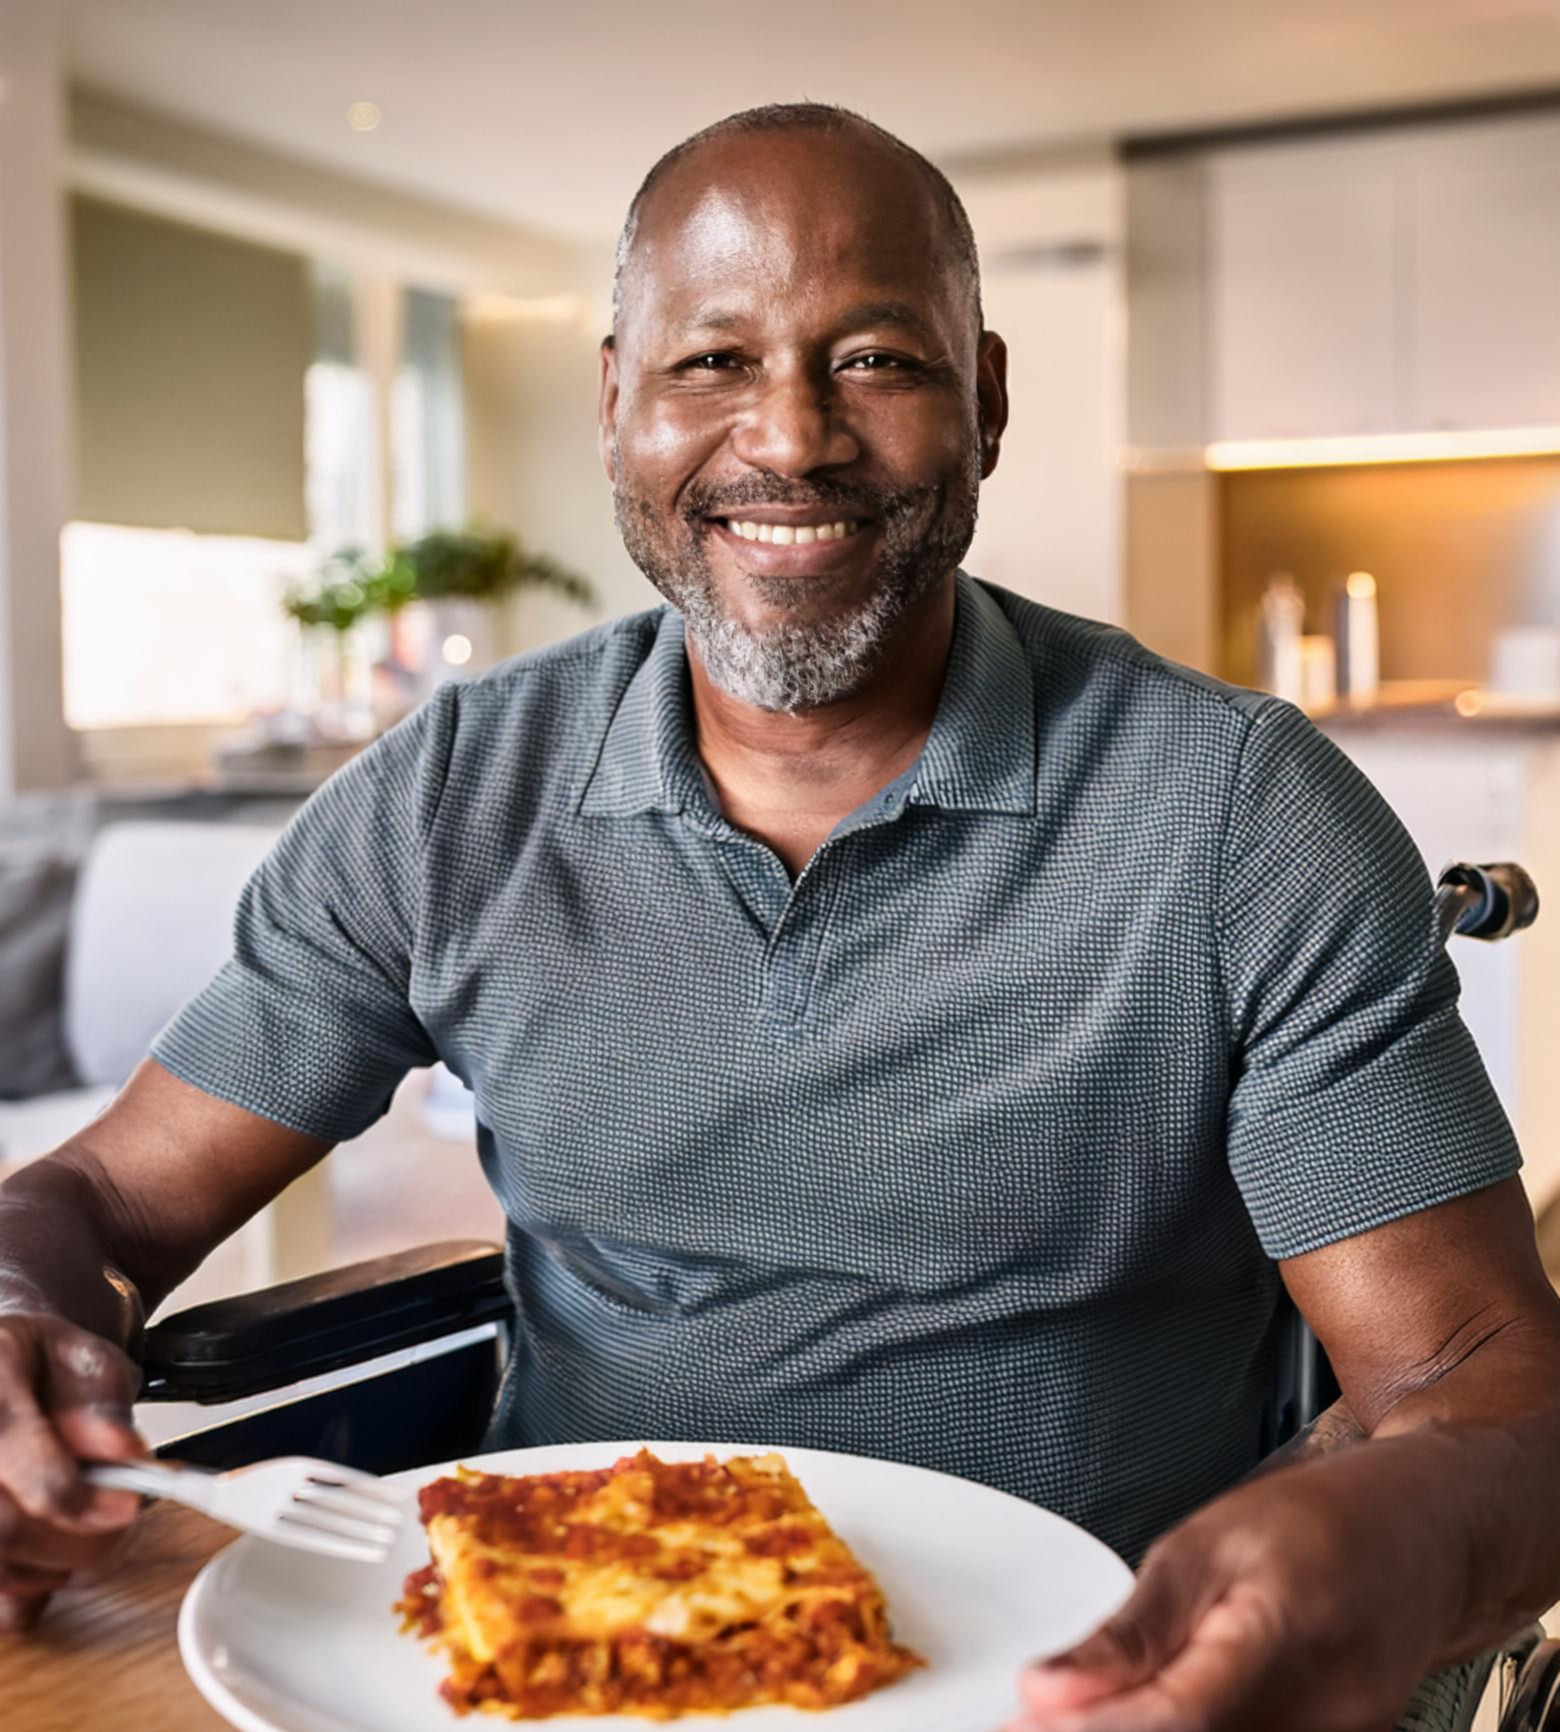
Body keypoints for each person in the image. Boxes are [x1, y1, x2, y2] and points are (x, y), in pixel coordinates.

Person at [1, 102, 1557, 1732]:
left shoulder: (1240, 810)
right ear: (615, 404)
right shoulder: (451, 792)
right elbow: (104, 1196)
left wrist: (1412, 1537)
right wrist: (25, 1317)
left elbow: (1479, 1387)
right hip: (578, 1666)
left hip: (1094, 1688)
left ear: (989, 400)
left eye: (876, 357)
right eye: (711, 364)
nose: (792, 438)